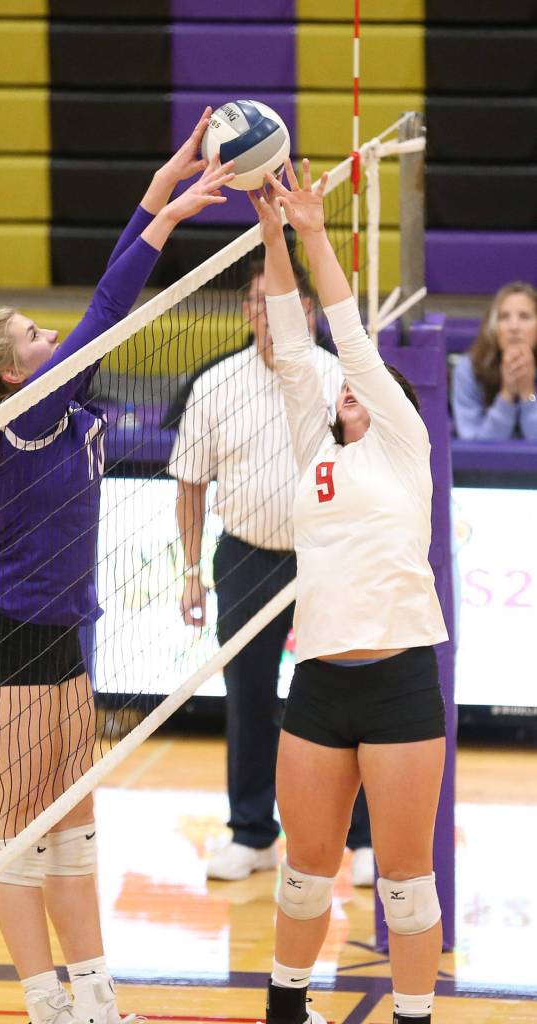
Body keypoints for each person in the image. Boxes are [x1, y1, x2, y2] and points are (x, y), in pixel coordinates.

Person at [0, 114, 234, 1024]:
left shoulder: (72, 403)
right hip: (11, 638)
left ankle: (94, 999)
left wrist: (164, 178)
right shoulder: (31, 414)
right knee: (20, 836)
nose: (48, 334)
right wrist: (168, 217)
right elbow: (110, 302)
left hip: (62, 637)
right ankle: (43, 1004)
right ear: (15, 375)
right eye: (31, 335)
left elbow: (101, 310)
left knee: (74, 830)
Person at [248, 160, 448, 1024]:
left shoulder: (403, 443)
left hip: (399, 678)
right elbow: (294, 344)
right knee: (304, 867)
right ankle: (285, 1009)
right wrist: (269, 232)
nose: (343, 390)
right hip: (321, 681)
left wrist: (314, 230)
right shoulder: (315, 449)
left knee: (404, 882)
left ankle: (412, 1016)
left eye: (357, 388)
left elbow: (343, 337)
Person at [168, 258, 374, 886]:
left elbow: (369, 470)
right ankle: (253, 834)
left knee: (348, 696)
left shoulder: (339, 377)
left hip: (326, 556)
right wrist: (190, 572)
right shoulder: (216, 384)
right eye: (258, 301)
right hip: (247, 556)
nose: (268, 312)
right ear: (245, 311)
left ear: (306, 313)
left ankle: (361, 839)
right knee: (250, 698)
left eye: (280, 301)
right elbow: (190, 482)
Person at [452, 282, 537, 440]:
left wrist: (528, 393)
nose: (514, 327)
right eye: (504, 317)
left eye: (524, 316)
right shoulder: (468, 368)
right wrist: (507, 395)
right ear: (493, 327)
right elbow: (473, 444)